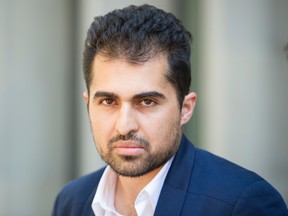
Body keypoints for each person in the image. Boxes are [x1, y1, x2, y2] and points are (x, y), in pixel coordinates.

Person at [52, 4, 288, 216]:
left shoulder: (242, 204)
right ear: (88, 104)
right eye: (108, 101)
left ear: (185, 109)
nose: (124, 125)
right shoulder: (71, 202)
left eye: (146, 102)